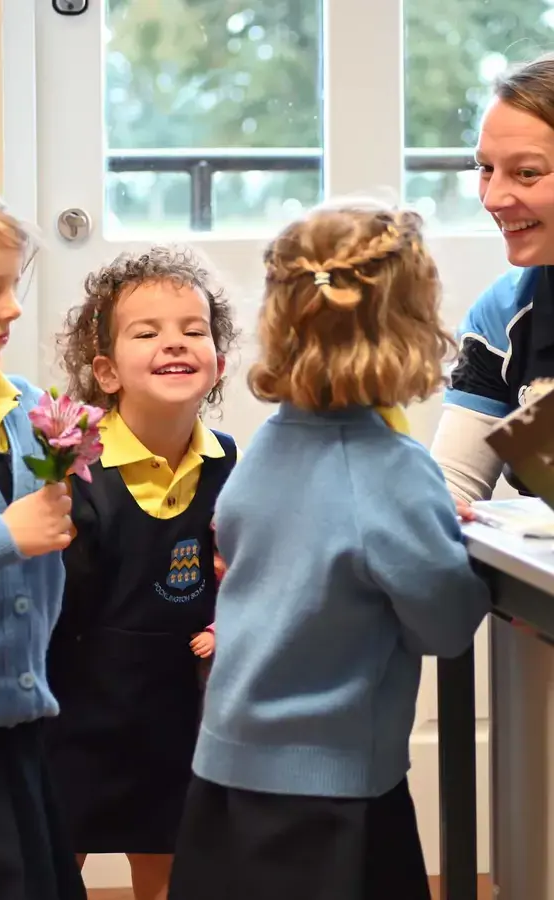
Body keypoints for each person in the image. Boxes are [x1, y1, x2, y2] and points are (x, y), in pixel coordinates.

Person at [168, 203, 491, 900]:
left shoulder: (266, 450)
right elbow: (445, 622)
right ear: (410, 329)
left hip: (224, 774)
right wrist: (447, 539)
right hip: (332, 795)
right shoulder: (393, 470)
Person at [45, 246, 239, 900]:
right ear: (105, 371)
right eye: (147, 332)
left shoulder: (229, 463)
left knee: (168, 861)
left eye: (194, 330)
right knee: (53, 857)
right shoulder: (77, 468)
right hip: (81, 705)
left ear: (218, 363)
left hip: (181, 706)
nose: (175, 344)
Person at [0, 178, 85, 900]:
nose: (12, 309)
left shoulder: (31, 411)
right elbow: (17, 538)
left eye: (12, 288)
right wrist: (4, 536)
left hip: (20, 733)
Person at [431, 54, 554, 510]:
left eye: (526, 172)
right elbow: (452, 491)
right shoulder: (502, 315)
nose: (494, 198)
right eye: (485, 168)